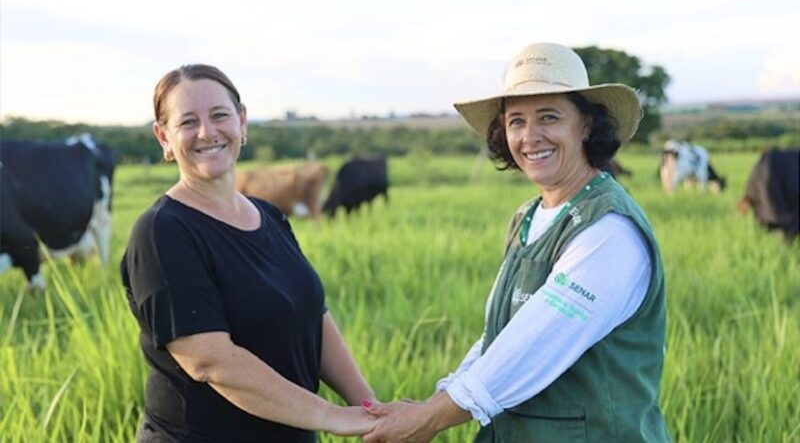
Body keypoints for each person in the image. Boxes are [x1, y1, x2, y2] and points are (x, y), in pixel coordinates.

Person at [362, 42, 672, 442]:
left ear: (586, 125)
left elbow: (536, 342)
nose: (530, 137)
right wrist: (439, 398)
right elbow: (504, 337)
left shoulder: (609, 230)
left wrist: (431, 417)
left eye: (549, 117)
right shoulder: (528, 218)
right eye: (516, 122)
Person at [121, 64, 376, 442]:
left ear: (242, 122)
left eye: (220, 115)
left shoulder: (269, 216)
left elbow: (313, 317)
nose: (207, 132)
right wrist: (333, 417)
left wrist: (371, 409)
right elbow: (211, 360)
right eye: (188, 122)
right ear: (164, 138)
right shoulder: (163, 231)